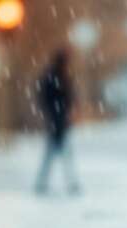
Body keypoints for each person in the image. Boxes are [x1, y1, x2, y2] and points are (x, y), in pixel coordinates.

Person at [36, 51, 80, 194]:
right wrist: (58, 115)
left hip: (58, 121)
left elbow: (49, 98)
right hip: (57, 121)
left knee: (54, 154)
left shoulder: (58, 77)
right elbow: (52, 99)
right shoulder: (56, 78)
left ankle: (44, 182)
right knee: (58, 154)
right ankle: (63, 182)